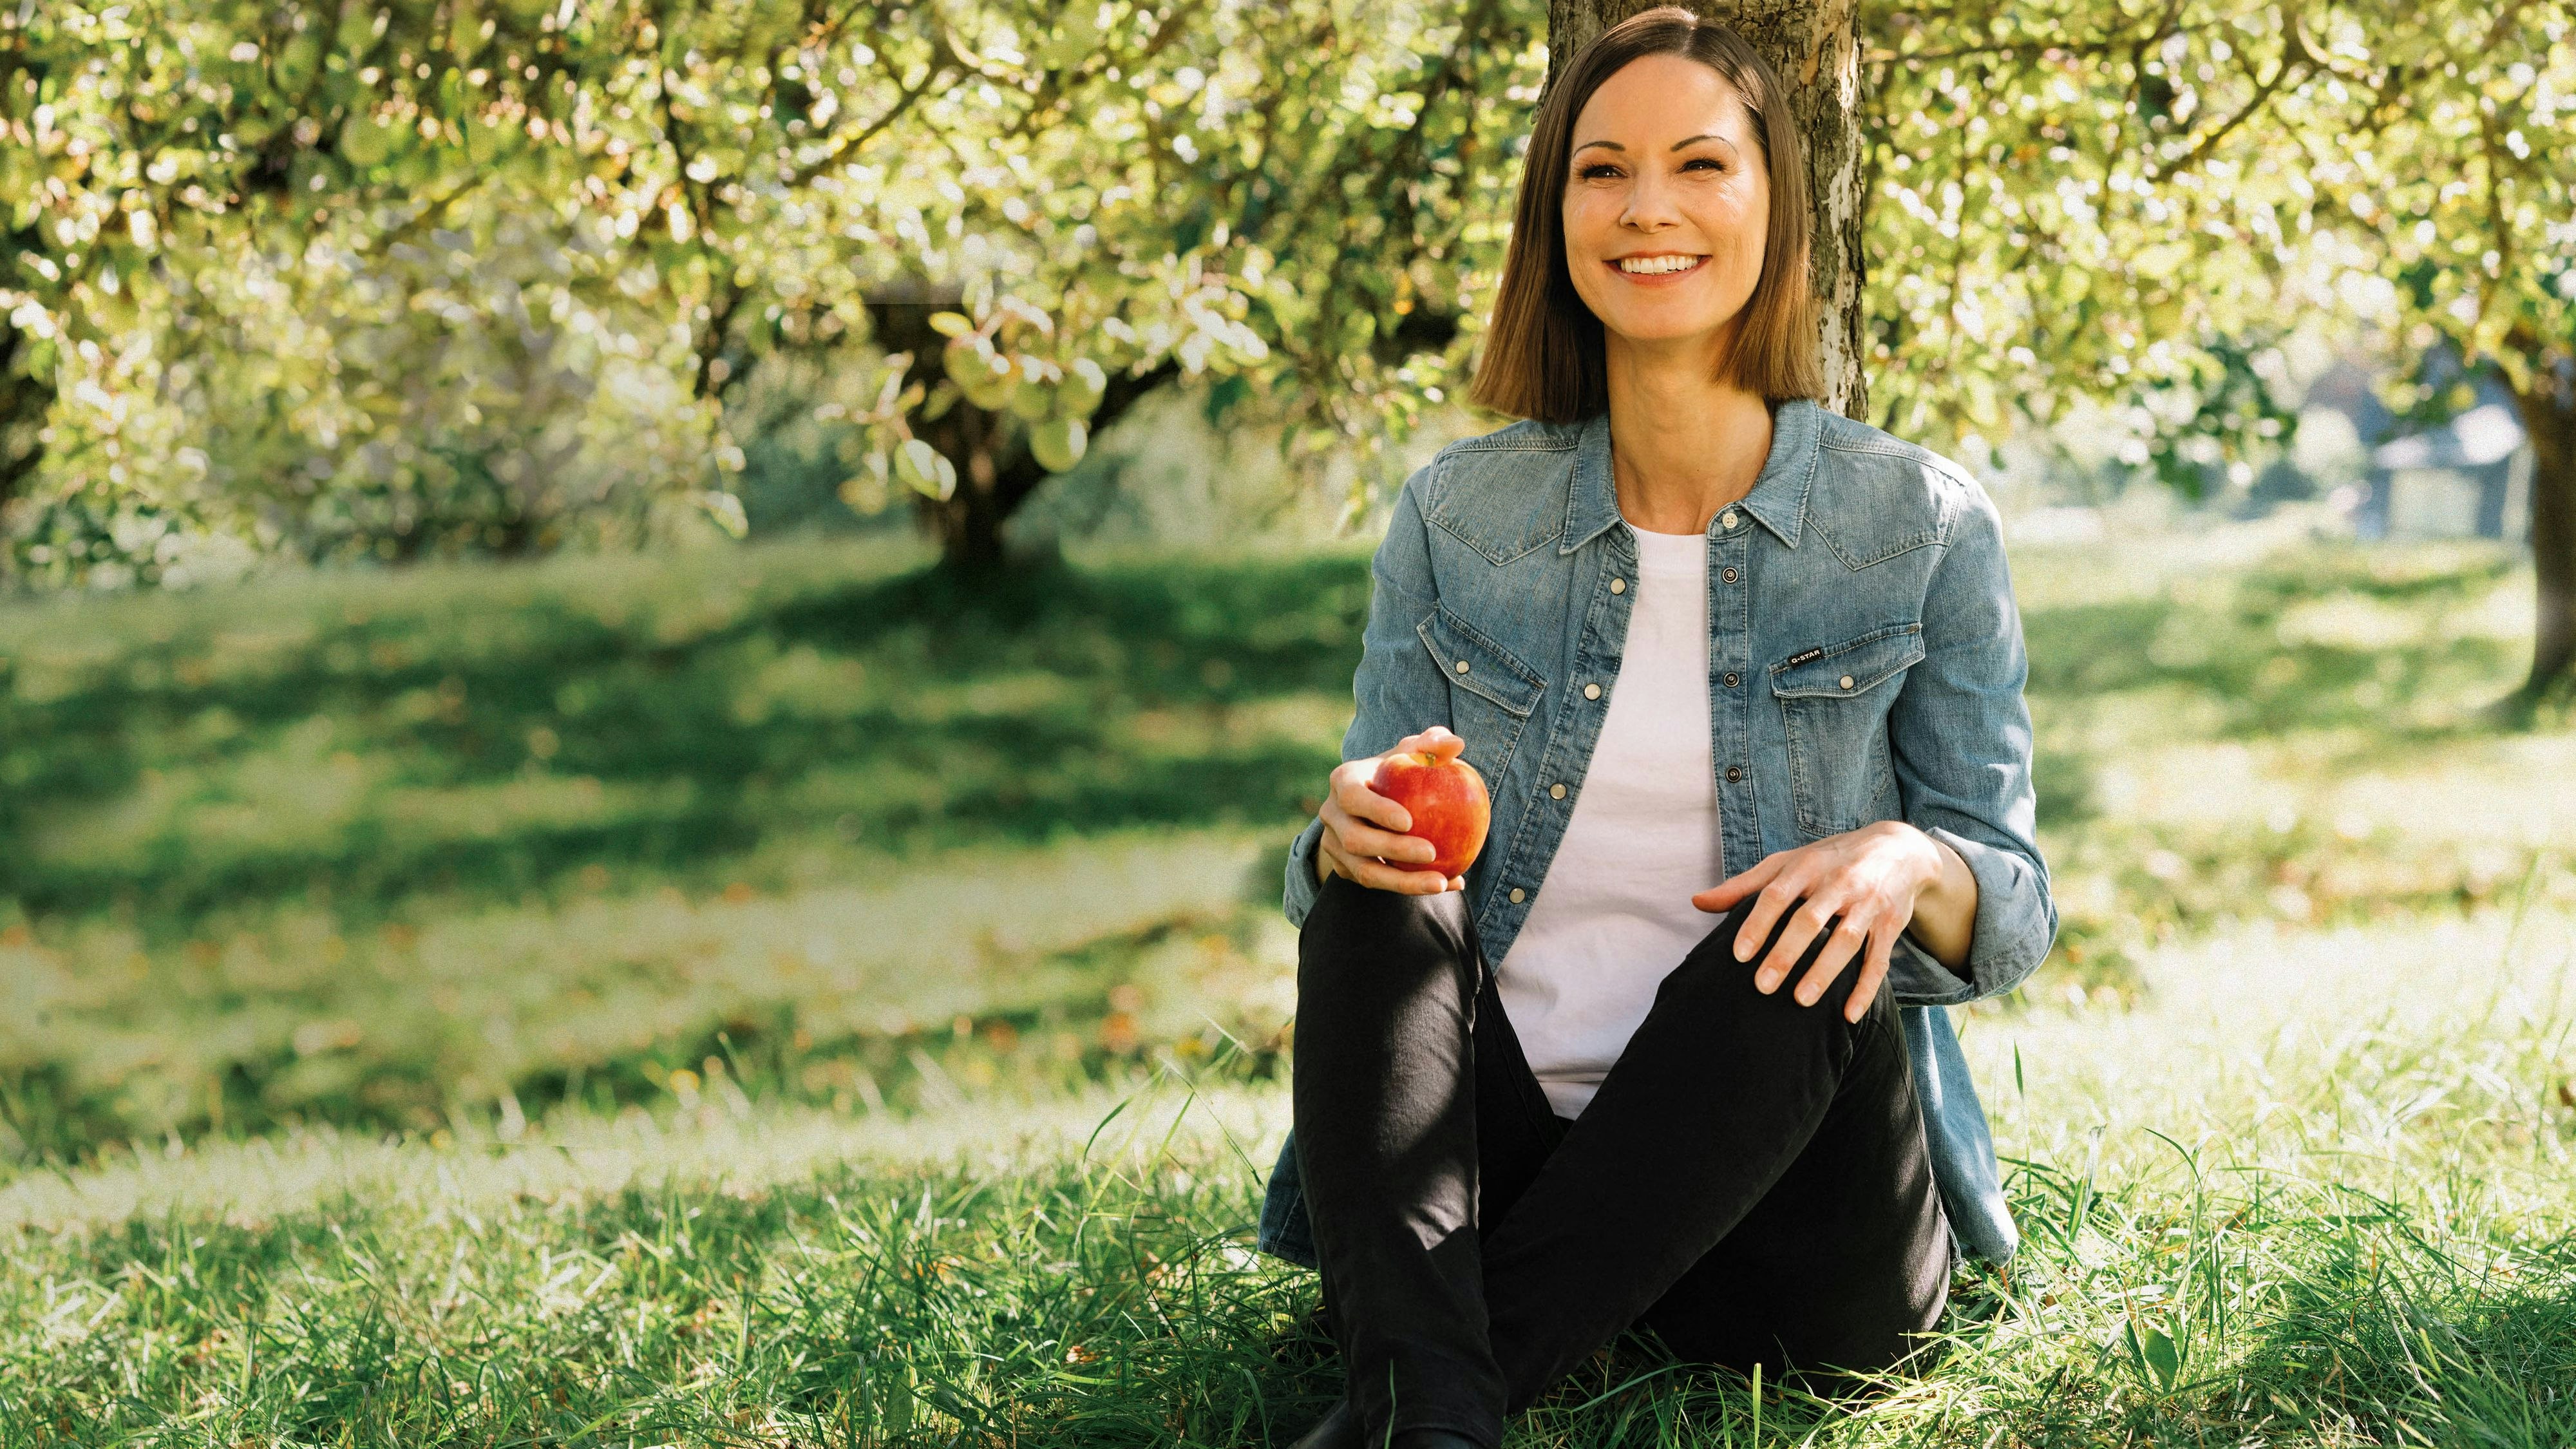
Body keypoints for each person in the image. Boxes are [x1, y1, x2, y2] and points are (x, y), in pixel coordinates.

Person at [1251, 10, 2060, 1447]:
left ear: (1774, 206)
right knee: (1366, 906)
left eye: (1699, 164)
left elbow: (2005, 904)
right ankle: (1441, 1408)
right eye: (1600, 170)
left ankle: (1423, 1392)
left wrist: (1897, 862)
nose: (1646, 210)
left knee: (1801, 946)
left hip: (1795, 1231)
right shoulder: (1459, 517)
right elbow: (1351, 885)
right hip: (1479, 1184)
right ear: (1553, 213)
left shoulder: (1914, 523)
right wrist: (1347, 831)